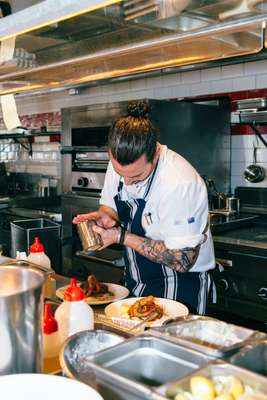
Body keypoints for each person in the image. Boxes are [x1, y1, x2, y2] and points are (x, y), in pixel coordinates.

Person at [73, 100, 216, 314]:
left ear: (155, 154)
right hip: (136, 278)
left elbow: (182, 260)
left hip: (180, 286)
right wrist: (106, 217)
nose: (127, 182)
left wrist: (121, 236)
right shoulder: (123, 161)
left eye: (137, 176)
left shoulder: (180, 183)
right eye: (122, 174)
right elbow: (109, 205)